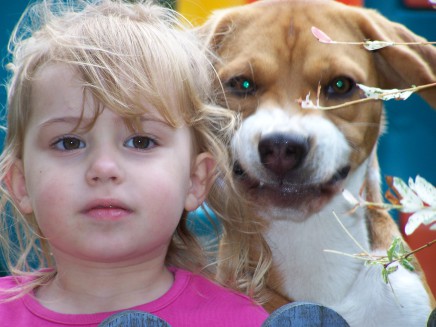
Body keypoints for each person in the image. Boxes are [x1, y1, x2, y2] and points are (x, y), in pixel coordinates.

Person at [0, 1, 272, 325]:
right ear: (20, 182)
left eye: (141, 142)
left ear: (196, 179)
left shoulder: (240, 321)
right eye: (69, 142)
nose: (103, 168)